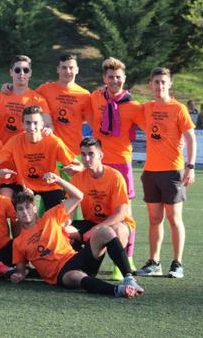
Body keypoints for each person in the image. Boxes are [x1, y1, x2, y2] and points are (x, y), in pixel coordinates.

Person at [9, 175, 144, 298]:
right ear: (15, 213)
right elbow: (21, 271)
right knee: (75, 276)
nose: (25, 212)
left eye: (27, 207)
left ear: (34, 208)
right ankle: (118, 290)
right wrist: (18, 276)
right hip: (61, 274)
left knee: (105, 231)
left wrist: (59, 180)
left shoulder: (50, 217)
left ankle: (129, 278)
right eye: (20, 209)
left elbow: (78, 196)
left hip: (75, 258)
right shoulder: (18, 242)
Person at [135, 67, 196, 279]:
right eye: (156, 82)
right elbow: (125, 107)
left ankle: (177, 263)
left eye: (163, 82)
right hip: (150, 171)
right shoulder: (146, 107)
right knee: (154, 219)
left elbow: (190, 138)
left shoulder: (178, 109)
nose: (159, 86)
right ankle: (154, 262)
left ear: (169, 84)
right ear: (150, 85)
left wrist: (190, 166)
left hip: (172, 172)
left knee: (174, 218)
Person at [87, 57, 142, 273]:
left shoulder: (134, 106)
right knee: (97, 209)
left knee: (125, 213)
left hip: (121, 163)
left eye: (118, 77)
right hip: (99, 164)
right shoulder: (95, 97)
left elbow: (152, 126)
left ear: (124, 78)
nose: (114, 81)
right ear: (104, 78)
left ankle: (126, 260)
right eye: (111, 77)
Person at [0, 105, 82, 213]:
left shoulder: (54, 141)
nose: (32, 127)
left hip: (50, 185)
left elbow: (79, 165)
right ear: (22, 124)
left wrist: (76, 169)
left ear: (42, 124)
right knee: (21, 216)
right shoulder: (15, 141)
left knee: (57, 218)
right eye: (28, 123)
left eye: (35, 123)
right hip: (24, 185)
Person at [67, 137, 136, 272]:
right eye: (83, 154)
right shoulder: (77, 179)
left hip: (116, 223)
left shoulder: (115, 177)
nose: (86, 158)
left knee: (116, 230)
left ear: (100, 155)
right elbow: (69, 210)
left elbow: (120, 214)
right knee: (64, 231)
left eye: (91, 154)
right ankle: (80, 264)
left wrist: (97, 229)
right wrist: (65, 226)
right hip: (91, 222)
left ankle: (120, 268)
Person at [0, 55, 52, 144]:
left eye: (25, 70)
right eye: (17, 70)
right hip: (1, 149)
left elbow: (49, 125)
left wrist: (48, 129)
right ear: (11, 72)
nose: (21, 73)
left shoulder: (38, 100)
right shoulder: (0, 96)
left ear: (30, 73)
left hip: (24, 151)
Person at [35, 53, 91, 156]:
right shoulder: (45, 89)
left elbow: (92, 120)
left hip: (73, 151)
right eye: (64, 67)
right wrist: (10, 87)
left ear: (77, 70)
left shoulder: (85, 95)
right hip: (49, 150)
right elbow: (26, 97)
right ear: (58, 69)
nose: (68, 71)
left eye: (71, 68)